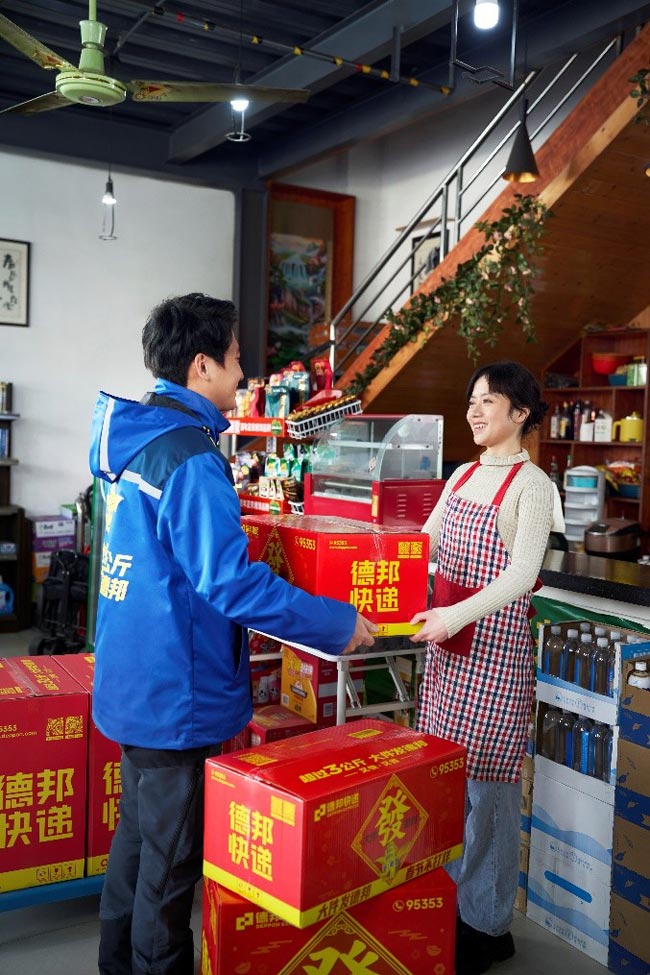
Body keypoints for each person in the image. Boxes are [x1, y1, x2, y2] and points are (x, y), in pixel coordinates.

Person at [88, 293, 377, 975]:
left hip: (135, 678)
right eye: (237, 358)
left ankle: (115, 964)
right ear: (202, 365)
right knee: (169, 870)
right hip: (177, 691)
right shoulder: (189, 457)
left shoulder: (139, 442)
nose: (245, 375)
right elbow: (231, 585)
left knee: (138, 845)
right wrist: (335, 622)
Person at [409, 360, 553, 975]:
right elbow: (425, 545)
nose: (473, 410)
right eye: (471, 399)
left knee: (488, 795)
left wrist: (452, 616)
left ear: (519, 413)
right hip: (449, 656)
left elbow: (521, 575)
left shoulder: (533, 487)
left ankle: (488, 928)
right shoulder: (462, 475)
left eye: (487, 401)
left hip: (495, 658)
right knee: (446, 784)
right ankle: (452, 908)